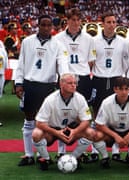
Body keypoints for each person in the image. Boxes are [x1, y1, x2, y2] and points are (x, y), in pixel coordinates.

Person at [14, 14, 69, 166]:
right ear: (37, 25)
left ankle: (45, 154)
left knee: (50, 122)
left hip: (48, 86)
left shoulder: (58, 44)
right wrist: (18, 83)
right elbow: (21, 63)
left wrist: (64, 81)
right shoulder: (27, 41)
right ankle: (28, 154)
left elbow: (62, 64)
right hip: (30, 84)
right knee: (29, 120)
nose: (46, 28)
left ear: (53, 26)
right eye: (43, 25)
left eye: (48, 25)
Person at [55, 7, 96, 158]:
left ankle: (82, 151)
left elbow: (90, 62)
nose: (76, 22)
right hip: (65, 78)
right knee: (63, 114)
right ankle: (61, 151)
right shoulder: (58, 38)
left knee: (83, 114)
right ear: (67, 20)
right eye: (73, 19)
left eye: (78, 20)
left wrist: (80, 73)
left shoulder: (89, 39)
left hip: (83, 78)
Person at [32, 73, 95, 170]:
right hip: (53, 130)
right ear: (61, 84)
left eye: (75, 83)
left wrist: (75, 131)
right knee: (36, 134)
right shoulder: (50, 99)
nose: (74, 85)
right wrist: (57, 132)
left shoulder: (80, 98)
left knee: (90, 132)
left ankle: (74, 158)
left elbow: (86, 120)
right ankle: (46, 159)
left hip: (71, 129)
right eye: (70, 83)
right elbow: (39, 123)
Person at [91, 12, 127, 160]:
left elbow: (125, 61)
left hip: (115, 80)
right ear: (102, 24)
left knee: (115, 115)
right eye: (108, 22)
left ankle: (116, 150)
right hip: (99, 80)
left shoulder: (123, 41)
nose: (112, 25)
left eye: (114, 22)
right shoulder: (94, 41)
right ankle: (94, 150)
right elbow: (91, 61)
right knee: (97, 114)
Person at [93, 77, 129, 169]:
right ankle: (105, 157)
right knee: (96, 135)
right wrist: (116, 136)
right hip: (112, 131)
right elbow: (99, 124)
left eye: (126, 89)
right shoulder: (106, 102)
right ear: (115, 89)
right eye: (121, 89)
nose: (124, 92)